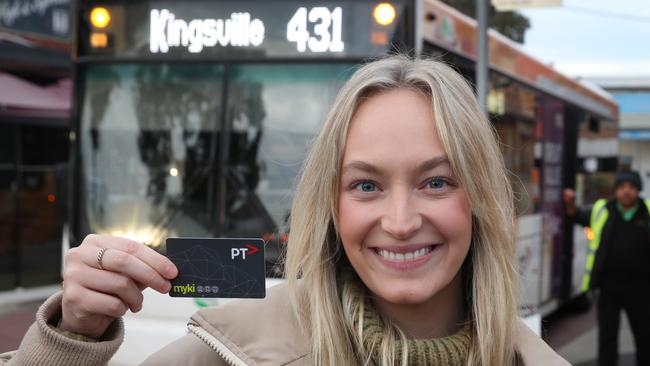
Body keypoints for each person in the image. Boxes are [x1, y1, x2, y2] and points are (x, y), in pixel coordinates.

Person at [1, 55, 569, 365]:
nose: (399, 222)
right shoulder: (223, 354)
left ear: (482, 201)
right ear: (330, 205)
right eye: (365, 186)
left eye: (437, 182)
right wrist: (70, 339)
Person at [564, 170, 650, 366]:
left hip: (642, 289)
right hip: (609, 288)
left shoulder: (647, 211)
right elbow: (575, 215)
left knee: (645, 337)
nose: (627, 191)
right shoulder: (603, 209)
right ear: (616, 190)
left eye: (632, 187)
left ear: (638, 190)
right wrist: (569, 203)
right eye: (622, 187)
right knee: (607, 338)